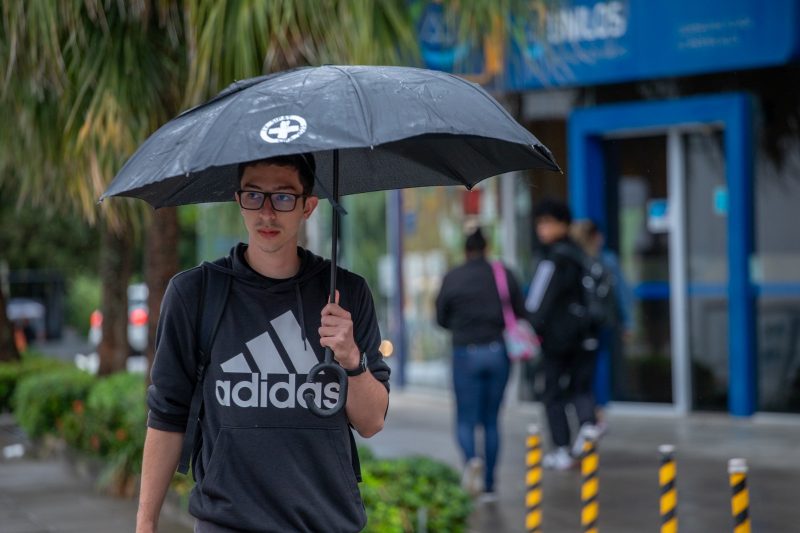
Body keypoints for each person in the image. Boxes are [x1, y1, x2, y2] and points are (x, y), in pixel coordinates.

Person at [137, 154, 390, 533]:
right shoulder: (195, 294)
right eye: (254, 195)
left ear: (309, 205)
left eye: (284, 197)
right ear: (238, 200)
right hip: (228, 523)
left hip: (326, 523)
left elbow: (371, 422)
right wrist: (145, 524)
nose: (267, 213)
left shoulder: (346, 294)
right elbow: (167, 415)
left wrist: (351, 357)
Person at [435, 227, 527, 501]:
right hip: (498, 352)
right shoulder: (503, 273)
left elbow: (440, 318)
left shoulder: (453, 277)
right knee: (491, 420)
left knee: (465, 419)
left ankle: (472, 460)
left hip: (466, 353)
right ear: (486, 248)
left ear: (465, 250)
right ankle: (489, 486)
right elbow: (521, 311)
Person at [525, 199, 598, 471]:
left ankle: (561, 449)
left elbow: (536, 303)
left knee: (552, 393)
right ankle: (589, 425)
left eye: (547, 223)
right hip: (584, 335)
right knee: (580, 388)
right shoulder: (580, 255)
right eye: (540, 223)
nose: (541, 229)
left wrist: (531, 328)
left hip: (557, 339)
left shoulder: (551, 258)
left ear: (562, 224)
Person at [570, 219, 634, 431]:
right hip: (601, 324)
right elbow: (622, 294)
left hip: (579, 328)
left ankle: (594, 412)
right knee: (596, 367)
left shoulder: (575, 260)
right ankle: (597, 410)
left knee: (584, 372)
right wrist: (628, 322)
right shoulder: (606, 260)